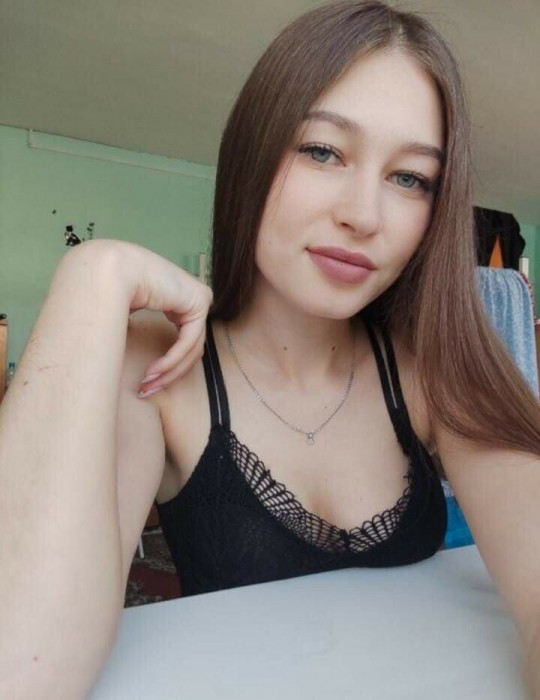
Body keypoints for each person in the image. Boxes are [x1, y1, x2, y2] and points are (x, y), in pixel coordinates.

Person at [1, 1, 539, 697]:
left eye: (409, 178)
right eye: (322, 151)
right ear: (252, 153)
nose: (363, 215)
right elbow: (24, 666)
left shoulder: (430, 362)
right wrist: (91, 275)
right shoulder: (158, 366)